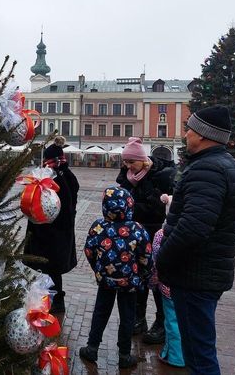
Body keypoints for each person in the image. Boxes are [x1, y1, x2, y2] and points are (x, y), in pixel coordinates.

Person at [156, 105, 235, 375]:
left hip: (195, 275)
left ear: (204, 135)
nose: (186, 136)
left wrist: (163, 258)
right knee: (199, 350)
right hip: (204, 273)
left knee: (199, 355)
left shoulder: (208, 169)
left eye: (190, 130)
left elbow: (193, 227)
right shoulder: (222, 165)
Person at [78, 186, 153, 368]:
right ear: (129, 205)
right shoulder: (137, 229)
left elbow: (89, 250)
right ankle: (124, 354)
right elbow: (146, 256)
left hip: (106, 281)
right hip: (129, 282)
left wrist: (98, 268)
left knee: (100, 312)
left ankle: (92, 347)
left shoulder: (98, 227)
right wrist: (143, 274)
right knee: (128, 316)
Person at [116, 137, 176, 344]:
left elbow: (157, 208)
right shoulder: (126, 175)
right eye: (125, 162)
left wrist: (133, 205)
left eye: (132, 162)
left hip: (155, 234)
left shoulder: (161, 176)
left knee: (158, 279)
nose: (128, 166)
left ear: (143, 160)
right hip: (133, 234)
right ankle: (138, 318)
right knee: (138, 277)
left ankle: (161, 323)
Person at [23, 135, 79, 314]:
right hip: (60, 230)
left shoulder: (56, 179)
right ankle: (52, 297)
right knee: (51, 267)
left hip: (51, 231)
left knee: (50, 267)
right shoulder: (67, 175)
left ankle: (55, 300)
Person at [149, 194, 185, 368]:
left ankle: (175, 356)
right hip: (188, 287)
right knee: (187, 321)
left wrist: (153, 282)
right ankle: (186, 353)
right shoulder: (192, 234)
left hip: (167, 288)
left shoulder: (160, 235)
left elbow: (156, 262)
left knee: (171, 322)